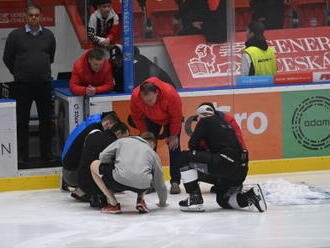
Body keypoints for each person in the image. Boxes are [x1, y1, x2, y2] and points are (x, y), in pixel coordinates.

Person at [178, 103, 267, 212]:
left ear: (200, 115)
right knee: (223, 201)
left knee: (183, 157)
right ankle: (249, 196)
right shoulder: (226, 123)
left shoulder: (204, 121)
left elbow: (192, 145)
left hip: (224, 164)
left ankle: (194, 199)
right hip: (240, 169)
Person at [2, 4, 56, 164]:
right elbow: (7, 58)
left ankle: (47, 154)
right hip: (22, 85)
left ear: (40, 16)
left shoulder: (49, 35)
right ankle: (21, 155)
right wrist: (19, 73)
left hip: (44, 84)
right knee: (21, 121)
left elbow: (50, 56)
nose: (34, 18)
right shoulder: (15, 35)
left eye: (36, 15)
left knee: (46, 121)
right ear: (26, 17)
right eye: (31, 15)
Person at [90, 132, 168, 214]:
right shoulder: (153, 154)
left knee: (94, 164)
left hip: (118, 180)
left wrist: (113, 164)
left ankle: (113, 204)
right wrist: (162, 202)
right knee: (147, 172)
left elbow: (102, 156)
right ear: (154, 144)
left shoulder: (122, 141)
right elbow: (159, 181)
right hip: (142, 186)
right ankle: (140, 200)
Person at [130, 78, 182, 194]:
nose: (148, 103)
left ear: (157, 93)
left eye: (150, 100)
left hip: (170, 119)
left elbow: (176, 116)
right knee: (148, 149)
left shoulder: (170, 94)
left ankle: (175, 182)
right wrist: (145, 134)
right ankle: (150, 182)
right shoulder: (135, 96)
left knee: (174, 147)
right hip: (150, 119)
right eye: (145, 101)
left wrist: (173, 134)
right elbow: (137, 117)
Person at [61, 111, 119, 190]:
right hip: (73, 175)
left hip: (66, 171)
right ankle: (83, 191)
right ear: (107, 123)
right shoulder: (96, 134)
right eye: (112, 127)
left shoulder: (88, 126)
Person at [76, 122, 130, 207]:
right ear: (119, 133)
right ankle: (100, 193)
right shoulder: (113, 144)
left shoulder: (93, 135)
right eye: (125, 138)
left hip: (80, 181)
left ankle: (95, 194)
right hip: (94, 182)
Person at [109, 45, 175, 92]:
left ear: (125, 57)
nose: (116, 62)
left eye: (118, 59)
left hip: (165, 90)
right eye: (114, 60)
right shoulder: (117, 67)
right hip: (153, 91)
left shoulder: (137, 63)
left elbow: (139, 86)